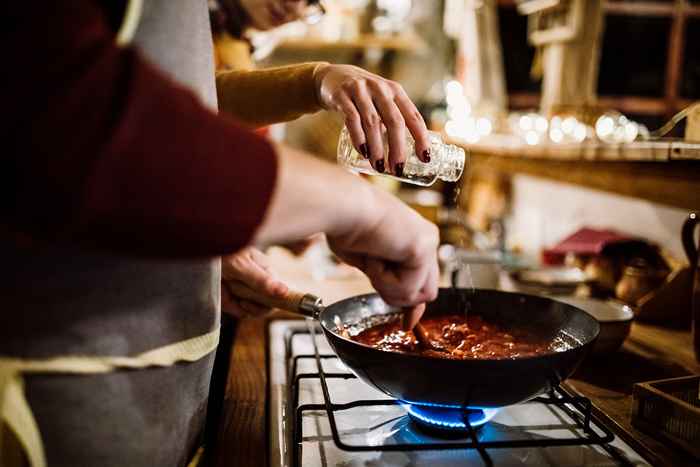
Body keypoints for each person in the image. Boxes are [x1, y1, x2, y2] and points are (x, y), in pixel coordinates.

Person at [1, 1, 435, 466]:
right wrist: (360, 208)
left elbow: (191, 103)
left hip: (159, 396)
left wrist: (317, 80)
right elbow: (65, 117)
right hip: (51, 395)